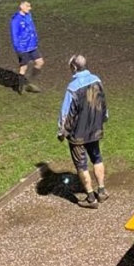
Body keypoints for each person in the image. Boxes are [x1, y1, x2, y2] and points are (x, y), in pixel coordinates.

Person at [57, 54, 109, 209]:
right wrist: (104, 117)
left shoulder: (72, 88)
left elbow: (66, 113)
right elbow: (102, 101)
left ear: (73, 67)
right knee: (97, 158)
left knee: (81, 165)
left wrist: (61, 131)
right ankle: (101, 190)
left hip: (78, 134)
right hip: (95, 129)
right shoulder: (97, 80)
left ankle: (91, 197)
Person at [10, 0, 44, 93]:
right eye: (28, 6)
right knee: (24, 67)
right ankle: (21, 87)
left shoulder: (28, 16)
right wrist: (18, 48)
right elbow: (15, 34)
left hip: (32, 45)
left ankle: (29, 81)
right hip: (23, 47)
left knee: (40, 62)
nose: (30, 8)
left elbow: (32, 28)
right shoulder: (16, 19)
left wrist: (35, 38)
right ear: (21, 6)